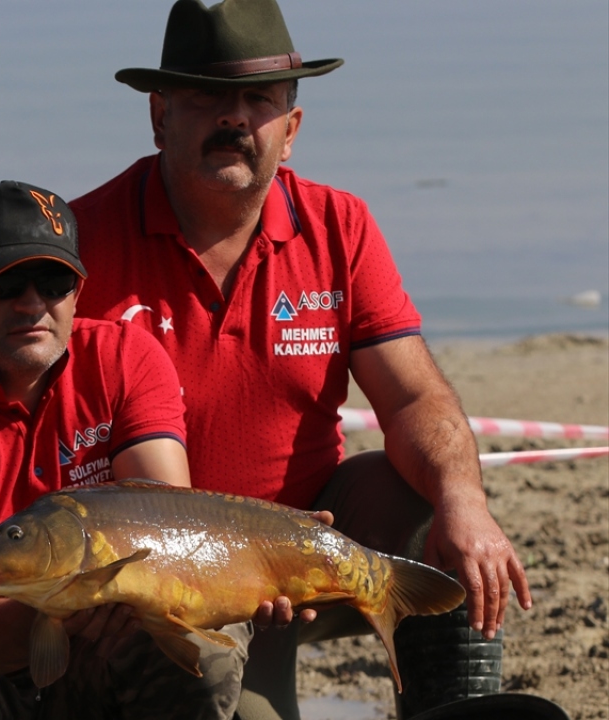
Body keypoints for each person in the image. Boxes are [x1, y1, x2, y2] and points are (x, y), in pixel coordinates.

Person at [67, 1, 532, 718]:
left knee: (432, 509)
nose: (235, 118)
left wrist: (464, 503)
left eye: (259, 100)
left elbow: (412, 399)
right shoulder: (81, 243)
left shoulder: (339, 225)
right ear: (159, 115)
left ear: (292, 127)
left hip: (312, 541)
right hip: (164, 571)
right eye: (208, 96)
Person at [0, 180, 257, 720]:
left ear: (78, 291)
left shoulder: (125, 356)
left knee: (204, 647)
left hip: (91, 635)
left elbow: (165, 524)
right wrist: (83, 598)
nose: (32, 302)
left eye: (54, 280)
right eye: (4, 283)